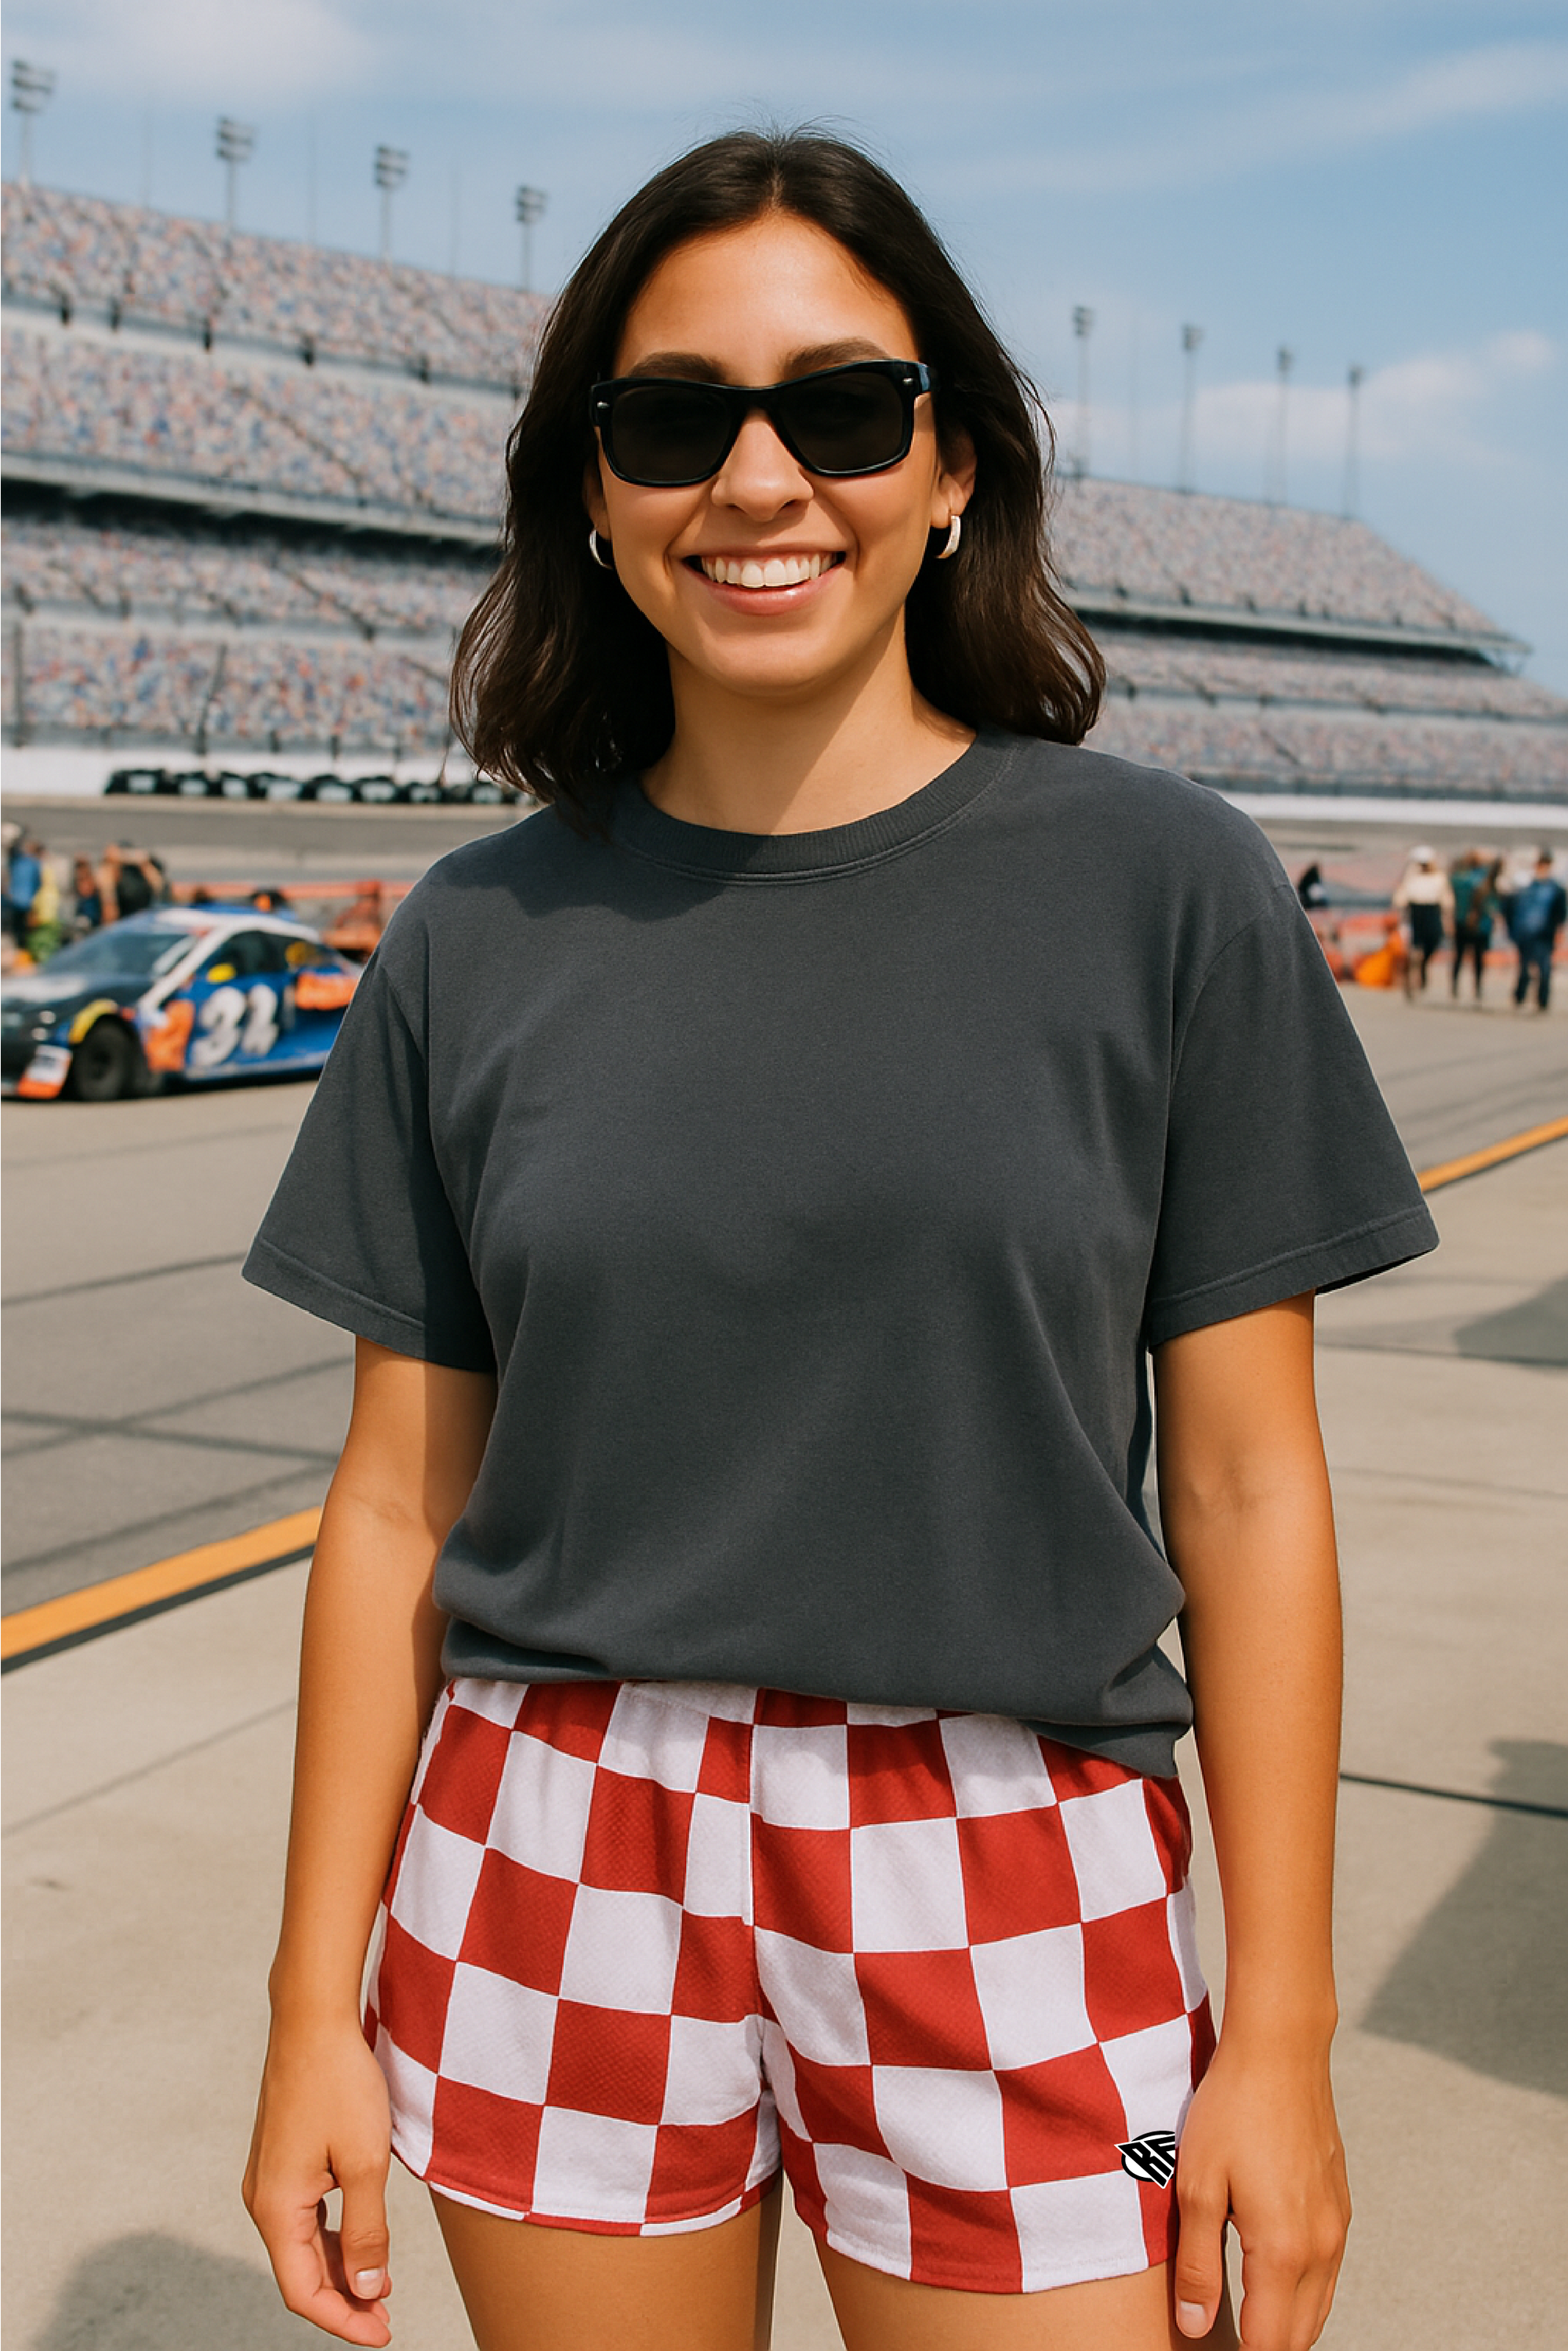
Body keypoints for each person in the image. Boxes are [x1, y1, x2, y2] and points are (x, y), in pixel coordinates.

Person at [240, 130, 1437, 2351]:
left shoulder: (1167, 889)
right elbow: (395, 1496)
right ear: (593, 495)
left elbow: (1254, 1485)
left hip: (1028, 1857)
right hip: (547, 1852)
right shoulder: (476, 938)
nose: (759, 477)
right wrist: (314, 2001)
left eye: (844, 409)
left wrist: (1278, 2035)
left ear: (954, 462)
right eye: (674, 418)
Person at [1509, 849, 1566, 1012]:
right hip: (1526, 933)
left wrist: (1559, 933)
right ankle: (1519, 997)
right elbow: (1516, 910)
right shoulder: (1527, 887)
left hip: (1545, 934)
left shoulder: (1556, 889)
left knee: (1544, 968)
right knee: (1524, 967)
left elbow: (1560, 914)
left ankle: (1542, 1001)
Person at [1392, 845, 1449, 997]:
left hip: (1432, 912)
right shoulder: (1411, 877)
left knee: (1433, 943)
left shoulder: (1439, 877)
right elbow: (1401, 898)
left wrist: (1447, 918)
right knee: (1414, 949)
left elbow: (1446, 899)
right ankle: (1411, 981)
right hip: (1416, 913)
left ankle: (1422, 966)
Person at [1447, 847, 1497, 1004]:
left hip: (1466, 923)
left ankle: (1457, 986)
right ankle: (1476, 988)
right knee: (1477, 958)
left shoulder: (1461, 878)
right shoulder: (1485, 879)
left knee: (1461, 956)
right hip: (1479, 925)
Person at [71, 855, 104, 933]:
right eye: (80, 880)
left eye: (85, 879)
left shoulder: (97, 902)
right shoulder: (78, 903)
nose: (84, 885)